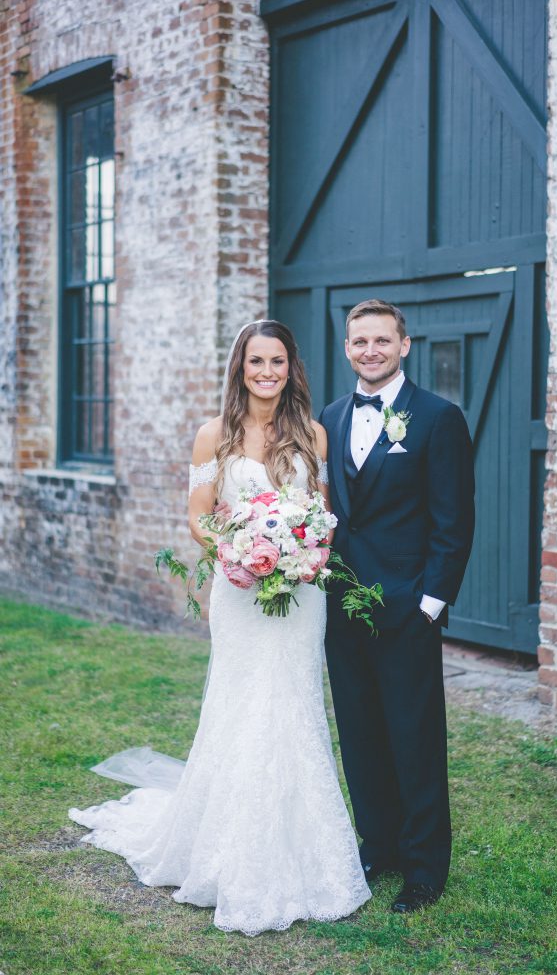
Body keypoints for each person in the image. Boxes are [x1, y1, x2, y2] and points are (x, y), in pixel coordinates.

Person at [69, 320, 371, 936]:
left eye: (278, 361)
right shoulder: (214, 435)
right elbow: (198, 518)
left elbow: (323, 513)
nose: (267, 372)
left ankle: (302, 853)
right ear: (240, 367)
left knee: (294, 707)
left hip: (300, 592)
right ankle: (225, 851)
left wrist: (303, 547)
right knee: (239, 709)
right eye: (256, 361)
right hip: (239, 594)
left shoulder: (310, 433)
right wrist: (238, 550)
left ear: (292, 368)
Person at [320, 299, 475, 913]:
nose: (370, 351)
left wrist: (431, 606)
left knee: (414, 739)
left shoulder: (438, 418)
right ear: (348, 347)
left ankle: (423, 868)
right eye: (360, 342)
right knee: (359, 736)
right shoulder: (329, 418)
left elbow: (453, 520)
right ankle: (377, 846)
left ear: (404, 345)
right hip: (341, 607)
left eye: (382, 341)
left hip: (408, 609)